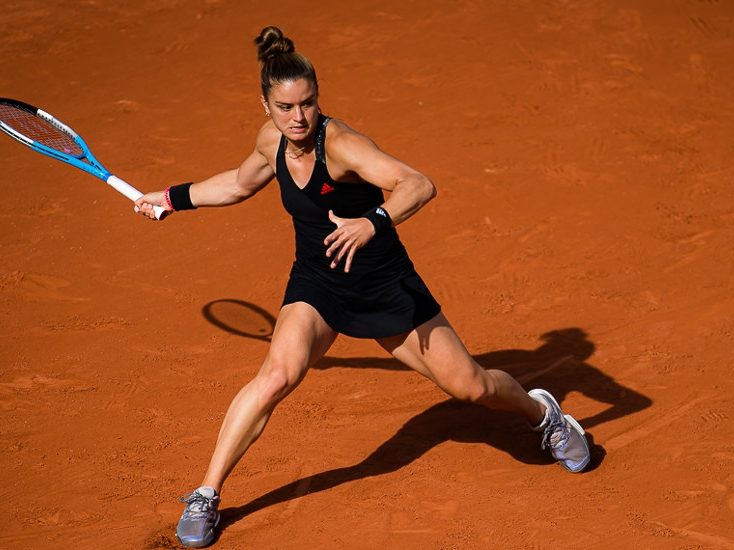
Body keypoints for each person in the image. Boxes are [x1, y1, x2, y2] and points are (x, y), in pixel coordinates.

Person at [136, 26, 591, 548]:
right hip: (318, 284)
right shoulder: (270, 141)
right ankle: (206, 494)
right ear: (265, 105)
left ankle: (545, 416)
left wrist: (373, 222)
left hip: (383, 285)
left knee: (473, 388)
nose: (299, 117)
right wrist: (171, 198)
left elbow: (418, 183)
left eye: (308, 103)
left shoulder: (342, 145)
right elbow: (239, 184)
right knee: (276, 377)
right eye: (285, 107)